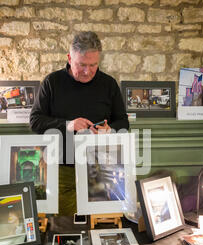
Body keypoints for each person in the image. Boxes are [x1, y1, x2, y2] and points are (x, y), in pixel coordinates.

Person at [29, 31, 129, 216]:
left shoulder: (109, 84)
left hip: (100, 171)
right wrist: (68, 125)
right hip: (61, 169)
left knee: (99, 226)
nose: (87, 71)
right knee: (66, 227)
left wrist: (110, 130)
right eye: (82, 65)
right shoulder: (52, 82)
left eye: (93, 65)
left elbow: (123, 122)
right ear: (69, 58)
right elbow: (35, 121)